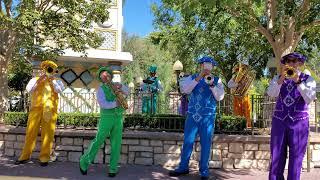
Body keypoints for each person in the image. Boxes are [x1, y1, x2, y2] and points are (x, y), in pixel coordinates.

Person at [169, 56, 225, 180]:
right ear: (201, 66)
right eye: (204, 65)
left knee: (206, 144)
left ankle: (204, 171)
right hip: (193, 115)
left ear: (212, 67)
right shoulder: (192, 77)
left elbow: (219, 97)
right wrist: (199, 77)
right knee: (187, 141)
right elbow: (185, 90)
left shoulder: (217, 80)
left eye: (209, 66)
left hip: (208, 117)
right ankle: (183, 167)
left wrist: (212, 85)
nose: (206, 68)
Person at [267, 52, 316, 180]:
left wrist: (298, 81)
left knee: (296, 157)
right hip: (279, 121)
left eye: (295, 61)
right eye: (289, 61)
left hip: (299, 122)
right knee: (276, 155)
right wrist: (280, 80)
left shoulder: (308, 79)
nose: (292, 64)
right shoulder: (278, 78)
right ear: (285, 63)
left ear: (300, 63)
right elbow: (271, 94)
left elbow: (310, 98)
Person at [79, 66, 128, 178]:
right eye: (103, 75)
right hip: (107, 117)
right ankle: (84, 161)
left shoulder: (117, 84)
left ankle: (113, 168)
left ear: (110, 76)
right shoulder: (101, 89)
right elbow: (103, 104)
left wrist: (121, 86)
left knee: (116, 144)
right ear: (101, 78)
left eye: (107, 75)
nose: (106, 77)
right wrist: (116, 103)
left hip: (119, 117)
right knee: (98, 140)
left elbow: (128, 92)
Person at [15, 60, 65, 166]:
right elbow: (29, 90)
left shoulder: (57, 81)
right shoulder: (35, 79)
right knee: (30, 132)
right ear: (43, 69)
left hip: (50, 111)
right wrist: (40, 80)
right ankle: (25, 156)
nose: (49, 70)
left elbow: (59, 90)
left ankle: (44, 158)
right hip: (35, 110)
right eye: (47, 67)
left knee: (48, 135)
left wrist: (52, 81)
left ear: (54, 71)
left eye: (51, 68)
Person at [228, 63, 252, 127]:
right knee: (237, 112)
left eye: (244, 70)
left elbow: (251, 86)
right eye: (240, 70)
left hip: (245, 97)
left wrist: (245, 85)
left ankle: (247, 126)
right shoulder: (234, 78)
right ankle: (239, 127)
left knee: (247, 112)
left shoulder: (247, 78)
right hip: (237, 97)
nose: (242, 71)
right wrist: (237, 84)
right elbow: (229, 85)